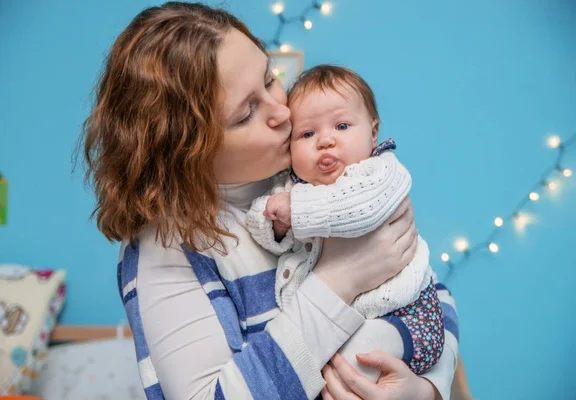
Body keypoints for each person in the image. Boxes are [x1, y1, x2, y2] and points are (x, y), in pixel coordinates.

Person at [80, 2, 460, 399]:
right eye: (247, 113)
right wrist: (340, 278)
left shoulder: (309, 176)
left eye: (270, 78)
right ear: (187, 149)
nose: (282, 110)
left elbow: (428, 290)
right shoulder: (169, 247)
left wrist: (424, 390)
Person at [245, 65, 445, 382]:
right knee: (329, 372)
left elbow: (359, 209)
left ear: (373, 132)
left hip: (404, 315)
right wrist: (278, 224)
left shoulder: (380, 171)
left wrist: (295, 210)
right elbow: (260, 217)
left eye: (341, 126)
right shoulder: (294, 187)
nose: (325, 141)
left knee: (354, 364)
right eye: (307, 134)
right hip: (337, 322)